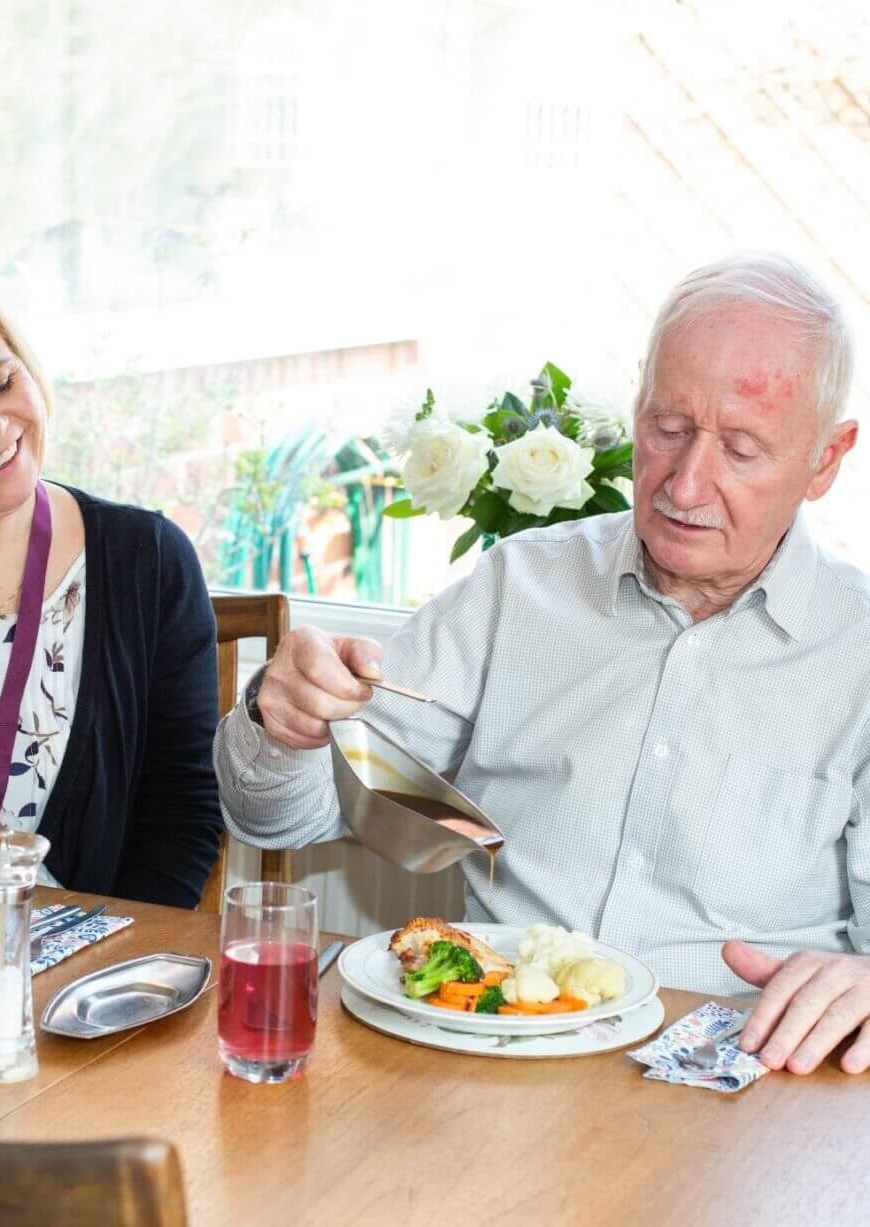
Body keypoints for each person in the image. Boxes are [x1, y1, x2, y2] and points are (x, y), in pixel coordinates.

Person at [217, 251, 870, 1074]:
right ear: (636, 402)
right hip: (494, 1066)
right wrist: (280, 726)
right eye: (667, 428)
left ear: (827, 459)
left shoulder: (858, 654)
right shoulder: (517, 587)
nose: (686, 481)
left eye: (741, 449)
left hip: (743, 1091)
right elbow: (278, 819)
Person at [0, 254, 222, 907]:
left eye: (2, 382)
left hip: (79, 995)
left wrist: (107, 981)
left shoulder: (149, 563)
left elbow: (183, 816)